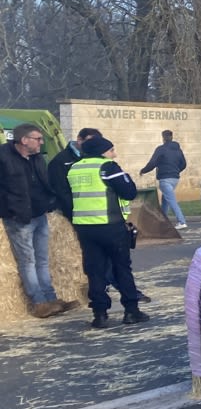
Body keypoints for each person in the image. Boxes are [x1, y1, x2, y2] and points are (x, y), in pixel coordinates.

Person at [61, 137, 148, 328]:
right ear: (102, 152)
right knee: (121, 267)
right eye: (111, 150)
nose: (114, 154)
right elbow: (129, 192)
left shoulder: (74, 168)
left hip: (84, 227)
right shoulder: (107, 167)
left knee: (94, 270)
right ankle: (131, 311)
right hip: (110, 225)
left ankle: (99, 314)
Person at [0, 123, 77, 318]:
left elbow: (44, 183)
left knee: (42, 260)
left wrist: (49, 203)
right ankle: (39, 303)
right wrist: (12, 210)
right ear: (24, 140)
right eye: (38, 139)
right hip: (18, 217)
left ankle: (52, 299)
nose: (42, 142)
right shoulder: (3, 157)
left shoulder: (37, 158)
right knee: (28, 261)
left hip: (39, 214)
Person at [140, 130, 188, 229]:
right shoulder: (178, 150)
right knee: (165, 200)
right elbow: (184, 164)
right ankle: (162, 221)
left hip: (165, 178)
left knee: (171, 200)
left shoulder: (161, 149)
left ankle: (181, 221)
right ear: (172, 137)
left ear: (163, 138)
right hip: (175, 178)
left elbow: (152, 163)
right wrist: (176, 171)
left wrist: (143, 171)